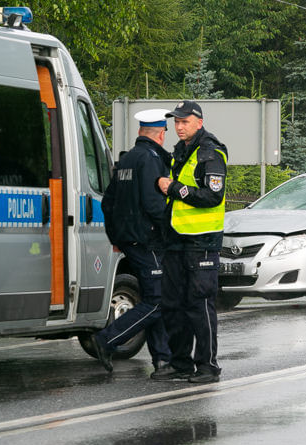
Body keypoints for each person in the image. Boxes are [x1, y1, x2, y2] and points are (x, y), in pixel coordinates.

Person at [91, 109, 173, 374]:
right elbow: (153, 204)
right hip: (147, 240)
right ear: (161, 135)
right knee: (157, 301)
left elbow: (108, 202)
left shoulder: (126, 160)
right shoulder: (151, 160)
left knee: (154, 297)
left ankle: (163, 360)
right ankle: (107, 340)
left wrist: (116, 236)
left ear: (140, 132)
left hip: (129, 240)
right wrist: (170, 230)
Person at [154, 100, 228, 383]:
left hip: (202, 241)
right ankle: (180, 362)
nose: (179, 126)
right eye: (176, 122)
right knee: (174, 303)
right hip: (176, 240)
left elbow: (213, 196)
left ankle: (208, 366)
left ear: (199, 121)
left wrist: (173, 188)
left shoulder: (210, 151)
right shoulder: (181, 150)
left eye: (184, 121)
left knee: (199, 303)